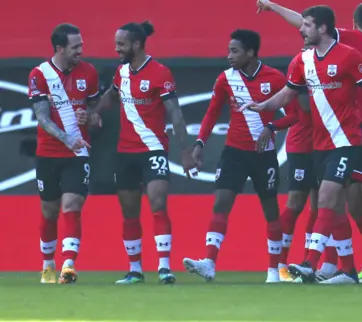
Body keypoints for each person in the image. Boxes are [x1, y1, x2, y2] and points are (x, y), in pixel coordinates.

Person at [256, 0, 362, 283]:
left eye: (309, 26)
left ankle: (315, 262)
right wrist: (265, 106)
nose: (303, 29)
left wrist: (273, 6)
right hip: (329, 139)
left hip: (351, 135)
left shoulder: (350, 48)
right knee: (347, 203)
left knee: (335, 198)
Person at [92, 21, 196, 285]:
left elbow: (175, 113)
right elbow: (110, 95)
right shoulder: (121, 73)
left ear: (136, 44)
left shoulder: (161, 73)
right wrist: (96, 112)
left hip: (153, 149)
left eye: (121, 44)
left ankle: (163, 267)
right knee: (129, 212)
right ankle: (135, 270)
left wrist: (186, 150)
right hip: (125, 152)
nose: (117, 49)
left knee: (158, 203)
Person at [181, 30, 286, 283]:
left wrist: (271, 128)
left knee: (270, 210)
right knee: (221, 203)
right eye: (229, 50)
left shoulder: (275, 78)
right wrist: (199, 144)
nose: (229, 56)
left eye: (234, 51)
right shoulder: (225, 79)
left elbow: (295, 114)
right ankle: (209, 262)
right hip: (234, 152)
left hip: (264, 154)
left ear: (251, 52)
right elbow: (211, 114)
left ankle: (273, 271)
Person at [28, 24, 98, 284]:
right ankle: (47, 265)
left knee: (72, 204)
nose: (81, 50)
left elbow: (95, 113)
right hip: (48, 151)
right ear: (60, 48)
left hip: (77, 152)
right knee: (49, 210)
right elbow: (42, 118)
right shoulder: (40, 74)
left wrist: (88, 117)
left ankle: (68, 265)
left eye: (81, 44)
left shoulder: (89, 73)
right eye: (75, 46)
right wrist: (67, 137)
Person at [256, 57, 318, 283]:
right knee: (295, 204)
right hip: (301, 145)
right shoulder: (301, 75)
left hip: (324, 145)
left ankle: (307, 263)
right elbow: (304, 109)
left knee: (320, 207)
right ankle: (280, 264)